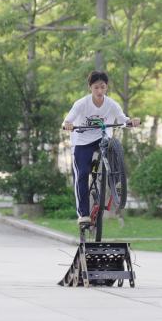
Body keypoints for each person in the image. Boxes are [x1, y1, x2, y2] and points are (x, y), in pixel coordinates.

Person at [62, 71, 140, 225]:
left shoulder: (111, 104)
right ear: (90, 87)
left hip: (102, 139)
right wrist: (68, 125)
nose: (99, 91)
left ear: (106, 88)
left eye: (102, 87)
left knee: (113, 148)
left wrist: (133, 122)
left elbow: (124, 120)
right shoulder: (81, 104)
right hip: (82, 142)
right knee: (82, 174)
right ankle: (83, 214)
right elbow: (66, 121)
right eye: (96, 87)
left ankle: (113, 180)